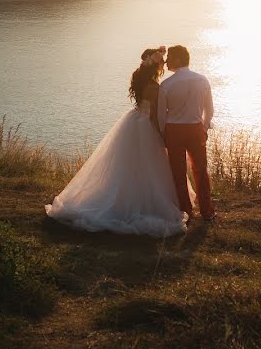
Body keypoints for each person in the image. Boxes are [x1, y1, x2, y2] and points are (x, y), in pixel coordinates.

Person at [45, 46, 188, 237]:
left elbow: (143, 107)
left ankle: (125, 198)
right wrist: (162, 136)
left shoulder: (140, 80)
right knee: (148, 166)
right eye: (162, 62)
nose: (164, 64)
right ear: (156, 66)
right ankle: (142, 202)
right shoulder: (155, 87)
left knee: (129, 166)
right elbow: (155, 115)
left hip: (134, 120)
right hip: (146, 126)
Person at [157, 45, 215, 220]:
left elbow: (161, 116)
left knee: (179, 172)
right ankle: (207, 211)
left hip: (174, 130)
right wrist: (203, 128)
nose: (166, 62)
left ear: (179, 60)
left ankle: (186, 211)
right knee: (201, 170)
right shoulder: (203, 80)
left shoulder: (166, 85)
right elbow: (209, 110)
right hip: (196, 128)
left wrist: (162, 135)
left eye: (170, 59)